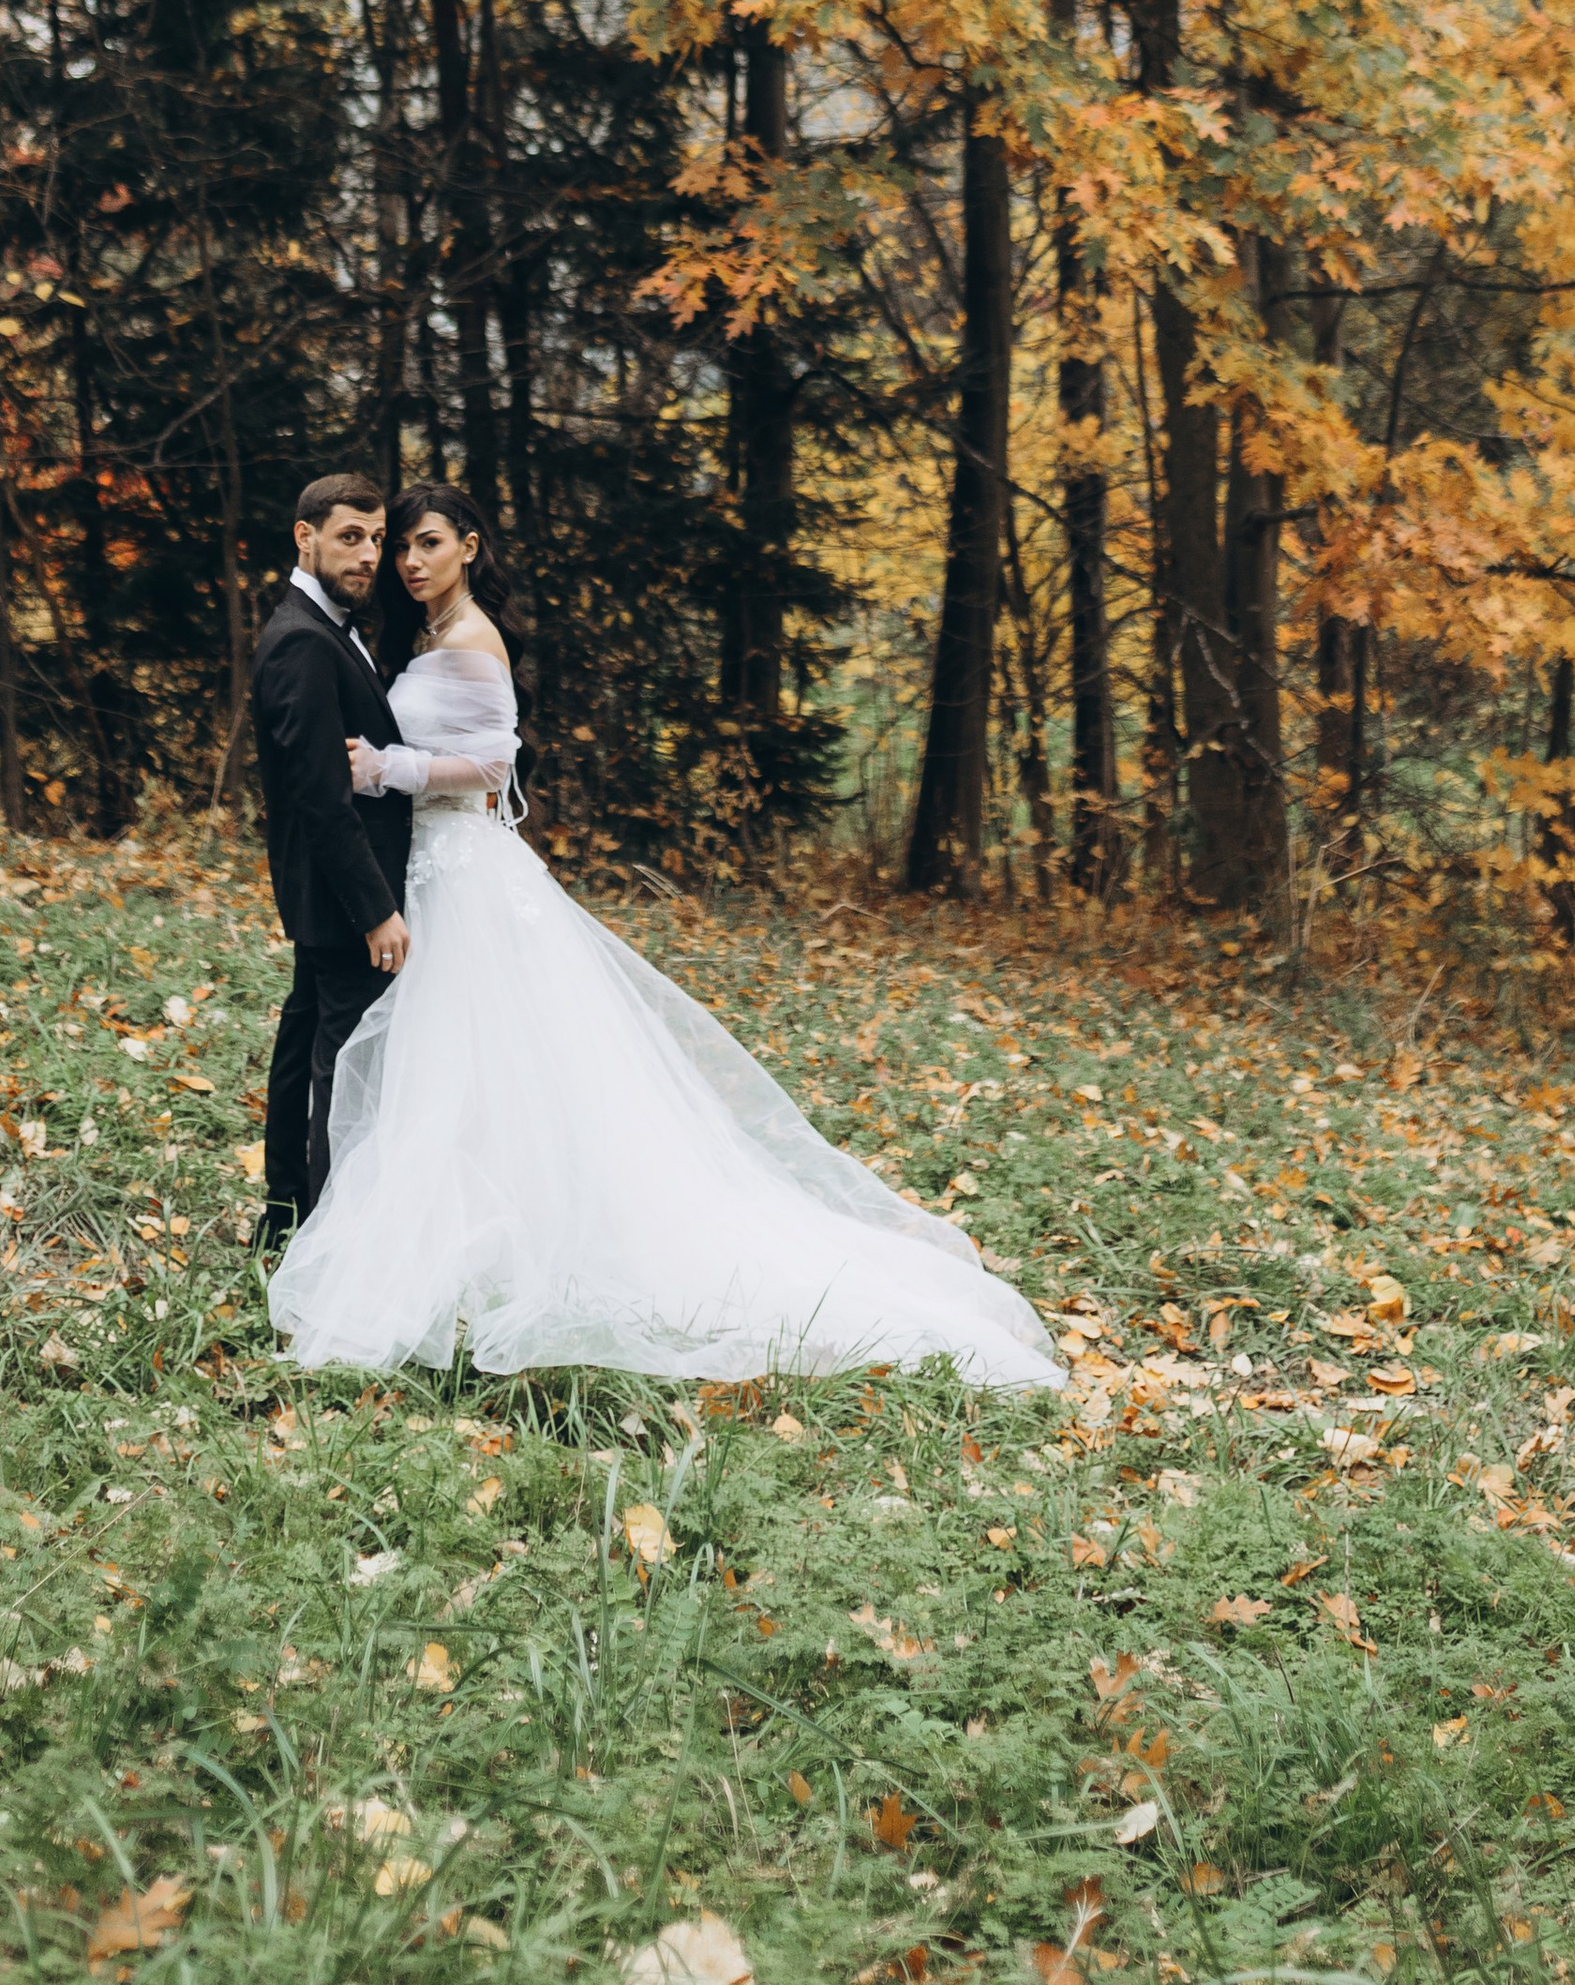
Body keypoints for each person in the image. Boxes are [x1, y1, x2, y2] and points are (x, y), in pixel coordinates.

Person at [265, 480, 1062, 1387]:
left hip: (465, 872)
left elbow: (495, 763)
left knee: (472, 1057)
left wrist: (386, 768)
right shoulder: (422, 635)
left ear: (472, 548)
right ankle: (432, 1240)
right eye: (399, 546)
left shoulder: (475, 637)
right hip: (435, 870)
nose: (408, 561)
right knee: (455, 1066)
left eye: (427, 544)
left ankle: (467, 1249)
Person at [247, 475, 412, 1250]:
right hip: (342, 896)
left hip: (321, 895)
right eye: (351, 536)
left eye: (378, 538)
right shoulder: (303, 641)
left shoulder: (324, 626)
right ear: (304, 536)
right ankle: (325, 1243)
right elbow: (319, 797)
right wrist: (376, 908)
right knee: (341, 1071)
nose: (370, 553)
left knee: (303, 1047)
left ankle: (284, 1217)